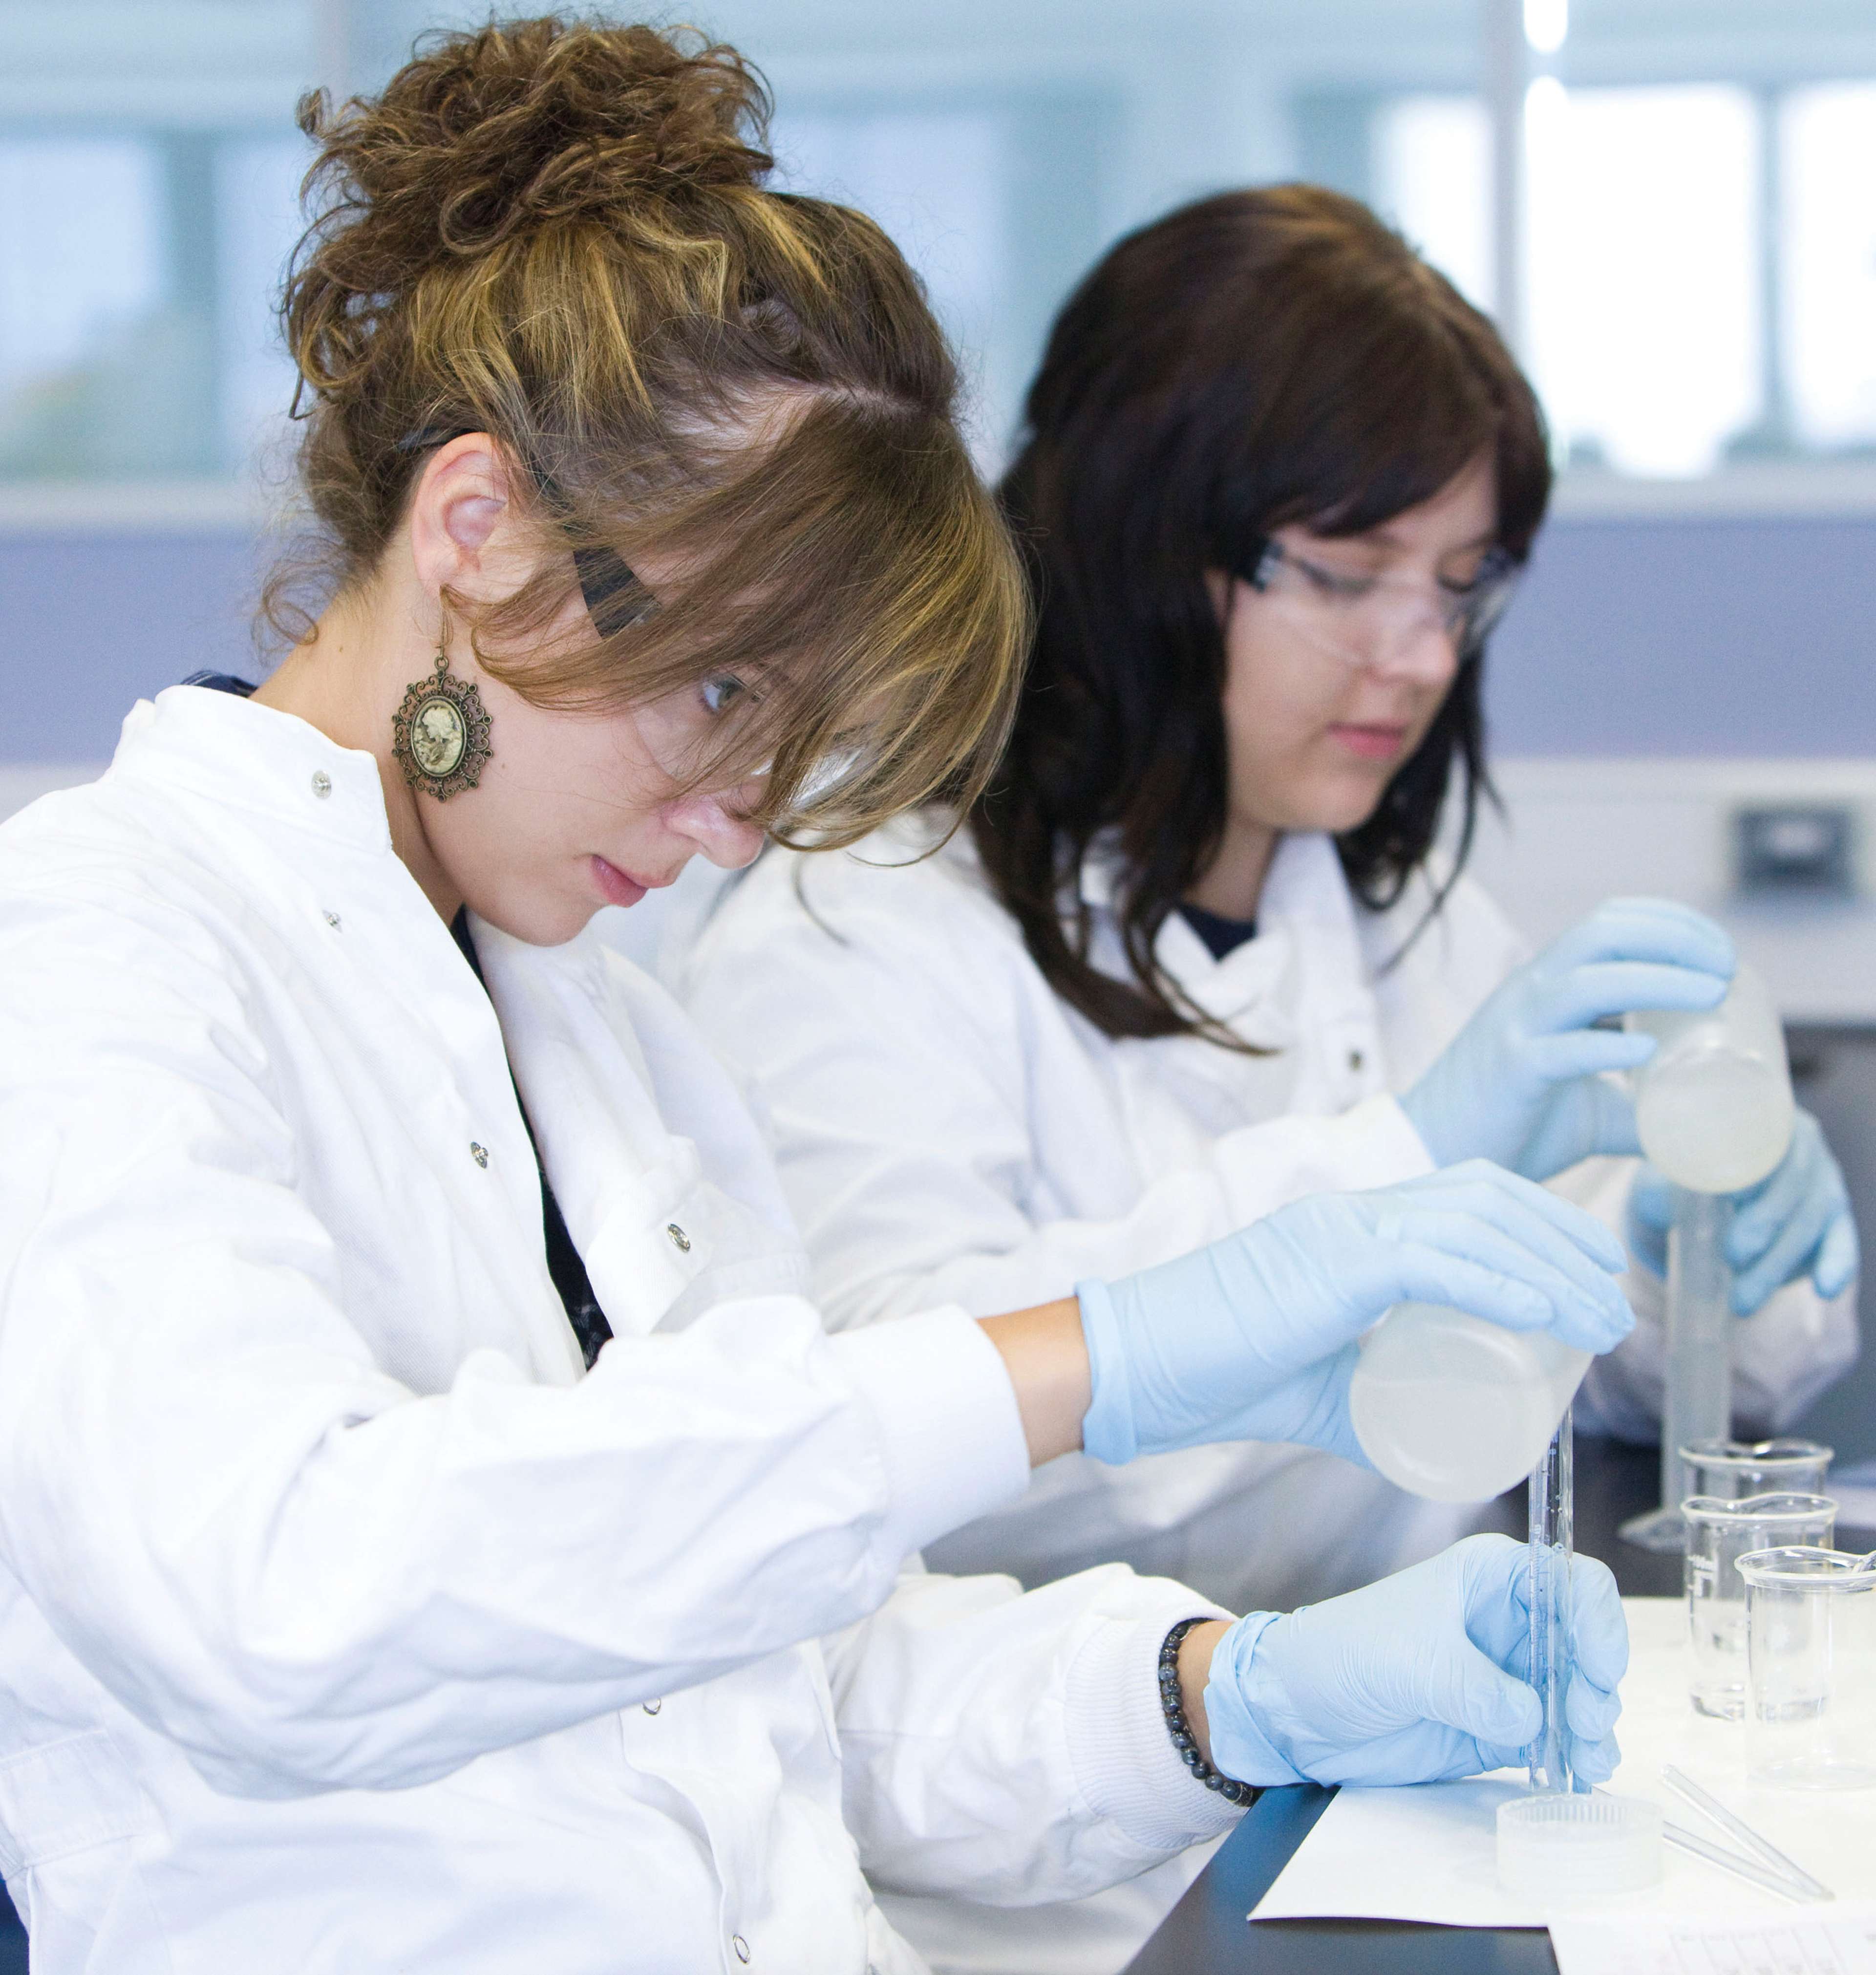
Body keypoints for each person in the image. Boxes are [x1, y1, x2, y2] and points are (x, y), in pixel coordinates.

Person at [0, 28, 1637, 1975]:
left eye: (796, 736)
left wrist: (1222, 1695)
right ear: (476, 529)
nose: (737, 822)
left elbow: (795, 1681)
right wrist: (1068, 1365)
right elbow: (277, 1595)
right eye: (717, 697)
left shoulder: (603, 1036)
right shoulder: (98, 949)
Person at [678, 187, 1860, 1970]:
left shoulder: (1378, 900)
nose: (1420, 654)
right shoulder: (860, 924)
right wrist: (1401, 1156)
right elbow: (889, 1438)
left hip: (1396, 1800)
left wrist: (1715, 1256)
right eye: (1350, 571)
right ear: (1148, 536)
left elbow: (1572, 1350)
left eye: (1462, 588)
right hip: (1065, 1865)